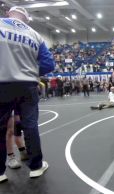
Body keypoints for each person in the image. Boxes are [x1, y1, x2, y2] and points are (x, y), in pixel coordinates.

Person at [0, 6, 55, 182]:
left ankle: (0, 172)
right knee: (30, 126)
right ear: (26, 19)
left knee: (0, 128)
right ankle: (36, 167)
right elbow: (48, 64)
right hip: (27, 85)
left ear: (8, 14)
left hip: (2, 83)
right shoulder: (34, 35)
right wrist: (31, 71)